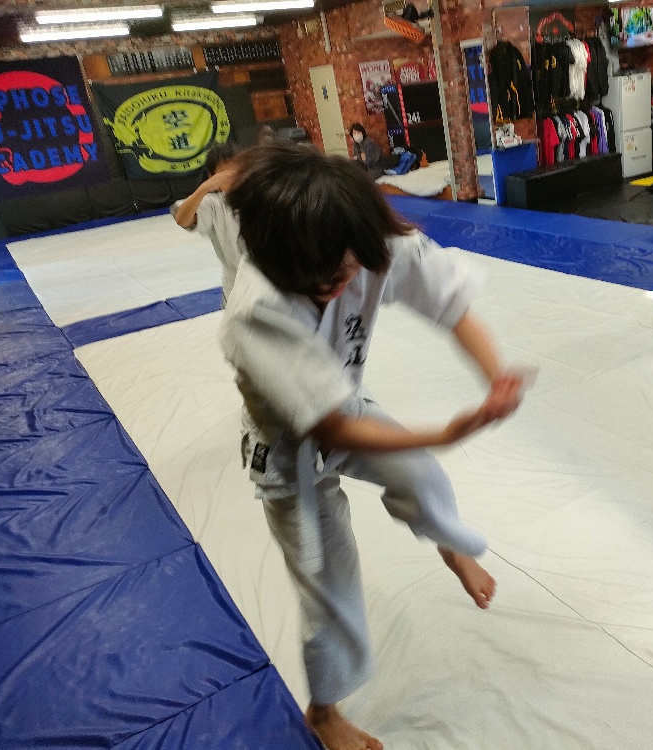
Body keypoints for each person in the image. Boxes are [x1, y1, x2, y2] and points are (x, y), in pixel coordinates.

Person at [220, 142, 524, 749]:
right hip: (287, 451)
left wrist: (496, 378)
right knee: (328, 585)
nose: (335, 286)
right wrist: (447, 432)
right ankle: (324, 712)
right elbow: (329, 429)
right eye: (314, 278)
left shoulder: (371, 241)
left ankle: (447, 542)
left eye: (344, 270)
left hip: (345, 400)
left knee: (420, 473)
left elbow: (451, 304)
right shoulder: (254, 309)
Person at [171, 140, 244, 306]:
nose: (233, 179)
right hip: (237, 286)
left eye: (238, 173)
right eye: (225, 176)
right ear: (212, 177)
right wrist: (204, 188)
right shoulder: (213, 203)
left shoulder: (261, 193)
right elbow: (182, 219)